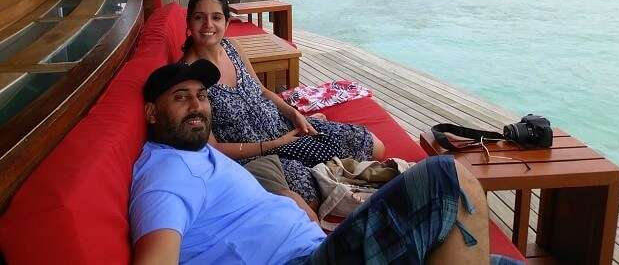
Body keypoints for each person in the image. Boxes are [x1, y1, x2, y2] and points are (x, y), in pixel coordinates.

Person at [130, 60, 514, 264]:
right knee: (449, 178)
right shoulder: (165, 176)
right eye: (181, 98)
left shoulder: (195, 150)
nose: (197, 105)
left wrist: (281, 195)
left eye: (200, 96)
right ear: (151, 112)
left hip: (318, 246)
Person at [181, 0, 385, 207]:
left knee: (375, 146)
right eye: (200, 17)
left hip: (284, 127)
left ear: (227, 23)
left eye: (216, 17)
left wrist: (293, 112)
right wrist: (274, 144)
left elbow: (262, 90)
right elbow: (214, 148)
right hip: (258, 154)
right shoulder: (189, 78)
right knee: (310, 197)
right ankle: (327, 170)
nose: (208, 25)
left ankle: (327, 162)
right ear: (189, 23)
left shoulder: (232, 48)